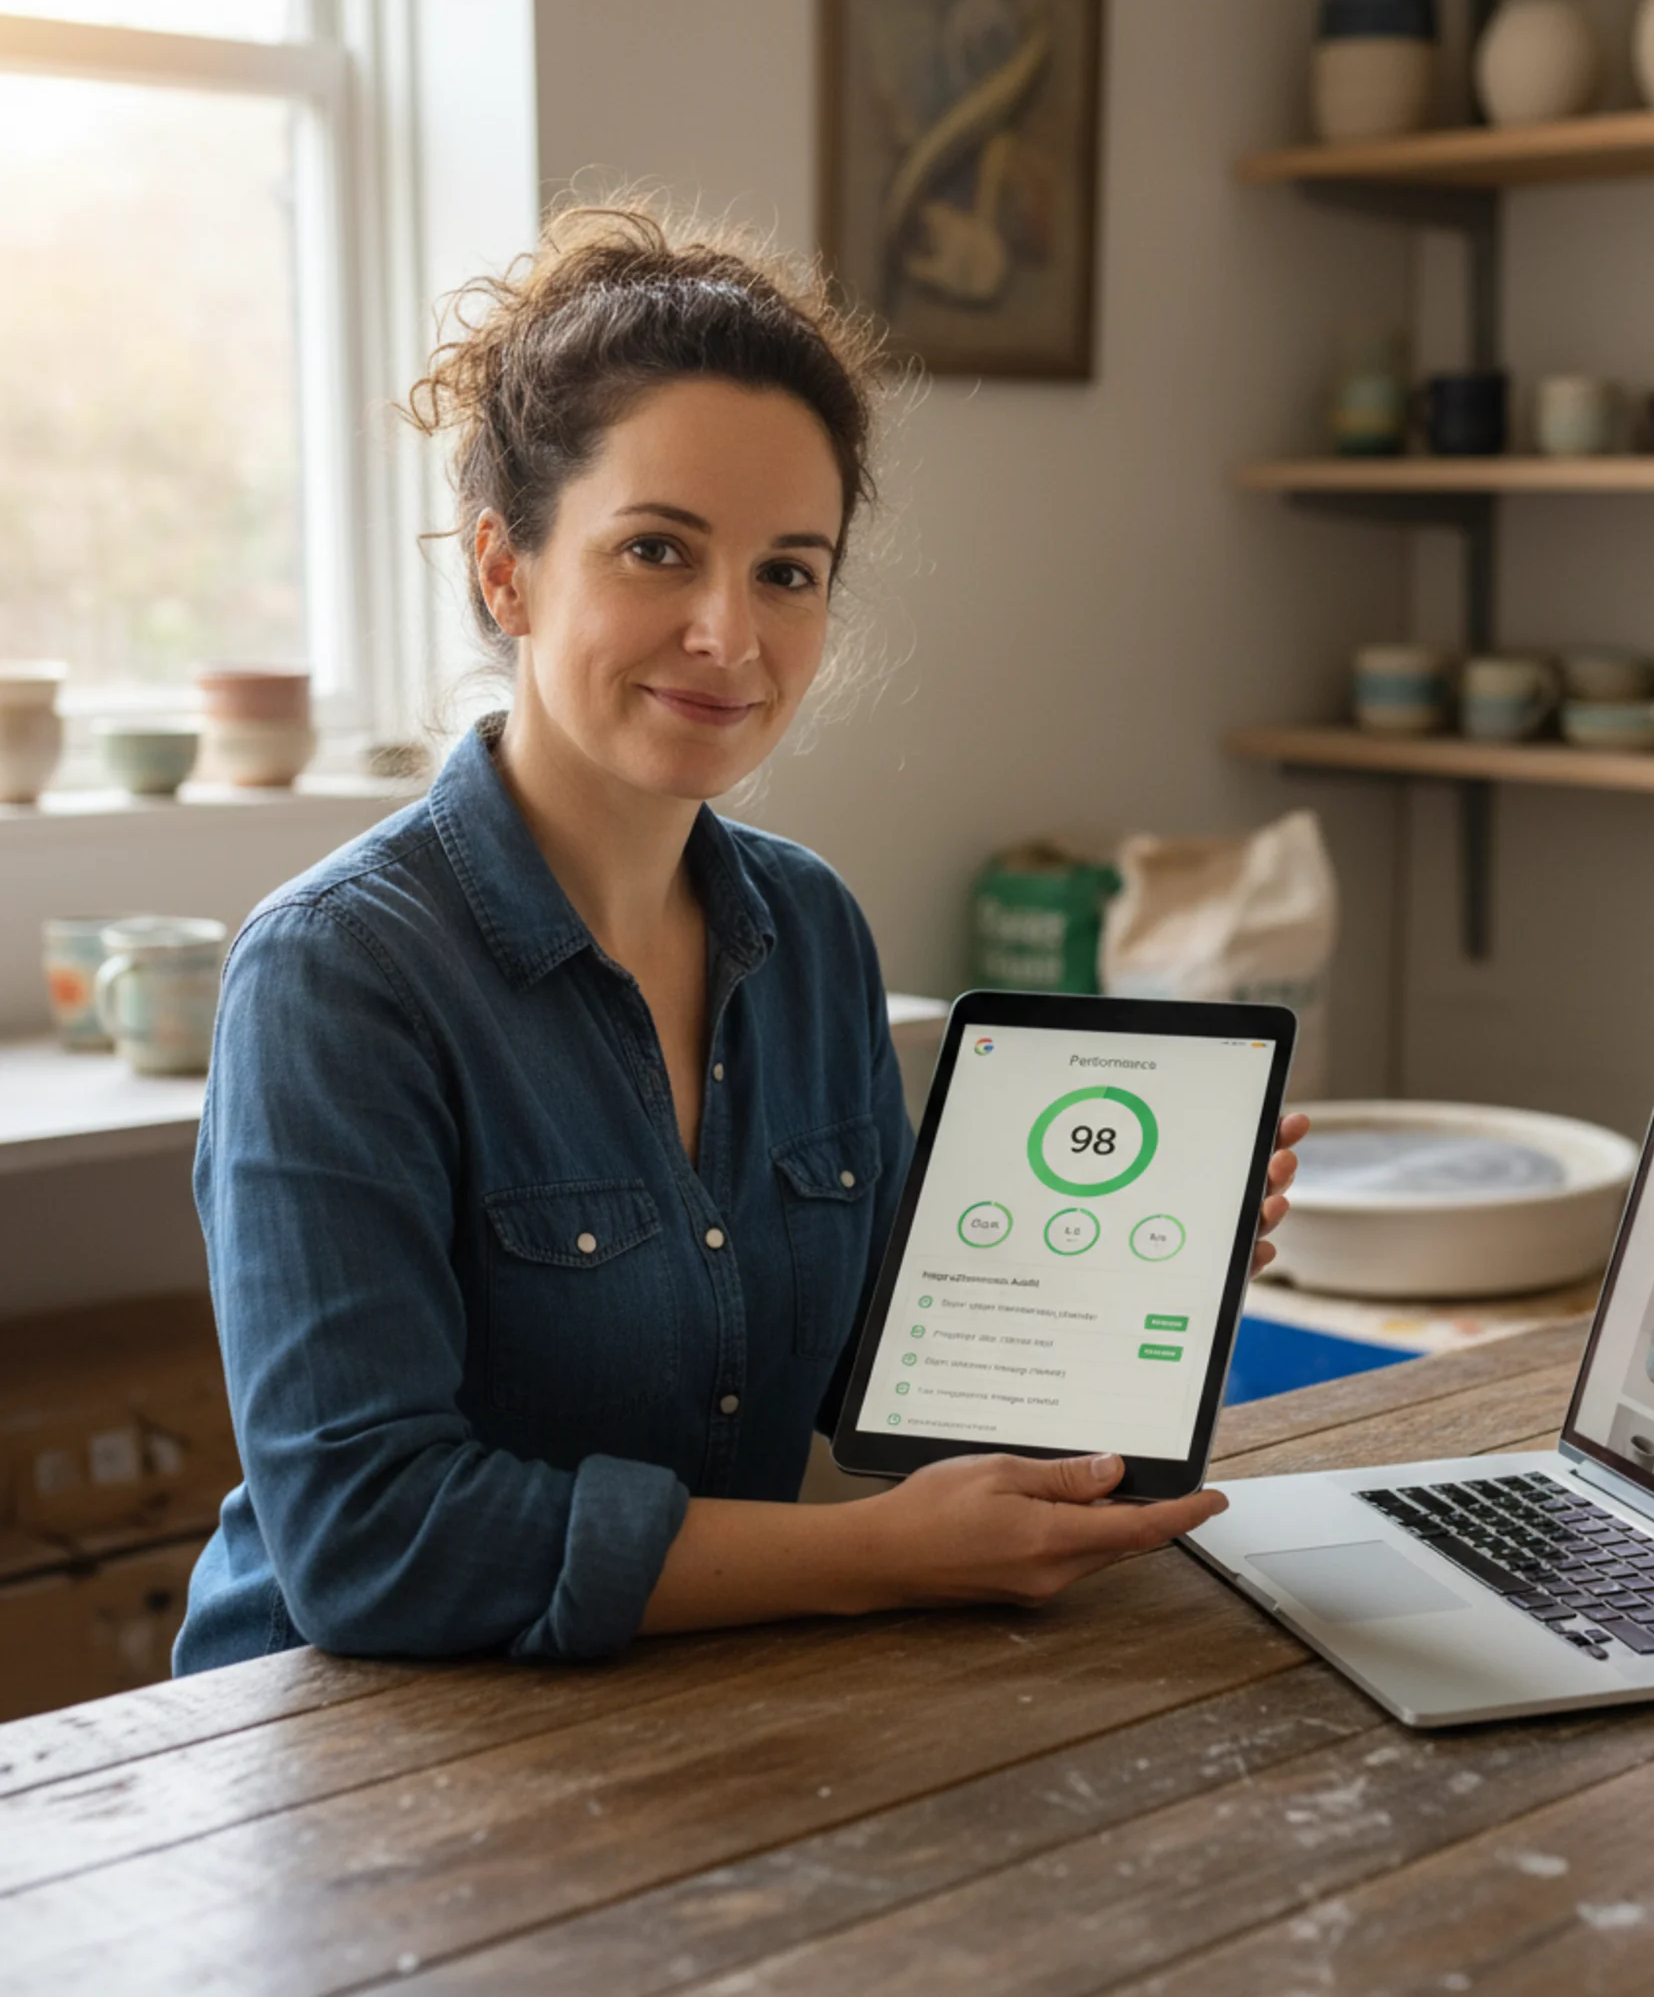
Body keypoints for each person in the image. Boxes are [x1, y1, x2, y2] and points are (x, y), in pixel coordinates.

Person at [174, 202, 1306, 1674]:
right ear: (505, 567)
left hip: (696, 1721)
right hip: (343, 1759)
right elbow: (372, 1541)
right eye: (658, 549)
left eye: (788, 569)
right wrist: (871, 1558)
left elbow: (888, 1382)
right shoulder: (337, 973)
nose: (732, 634)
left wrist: (1135, 1287)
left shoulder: (810, 927)